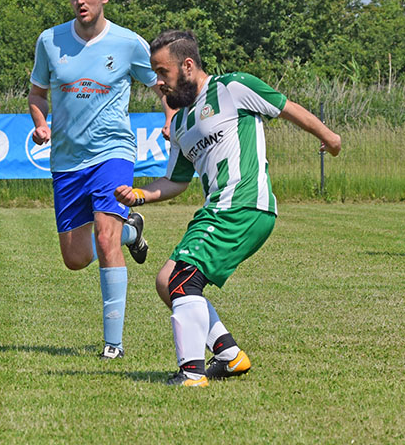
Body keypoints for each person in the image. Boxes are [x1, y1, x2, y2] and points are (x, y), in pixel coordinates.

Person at [115, 30, 342, 385]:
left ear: (187, 66)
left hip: (242, 204)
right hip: (218, 208)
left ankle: (192, 373)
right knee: (166, 282)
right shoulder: (181, 124)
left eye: (163, 73)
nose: (158, 83)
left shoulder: (232, 88)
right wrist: (140, 195)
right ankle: (229, 356)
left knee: (181, 280)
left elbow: (286, 108)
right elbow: (176, 181)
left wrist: (329, 137)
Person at [28, 0, 173, 359]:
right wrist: (41, 123)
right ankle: (133, 231)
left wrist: (170, 117)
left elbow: (161, 83)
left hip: (113, 153)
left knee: (105, 238)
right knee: (76, 259)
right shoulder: (50, 41)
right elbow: (37, 94)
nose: (80, 1)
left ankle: (113, 344)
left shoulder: (128, 43)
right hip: (66, 160)